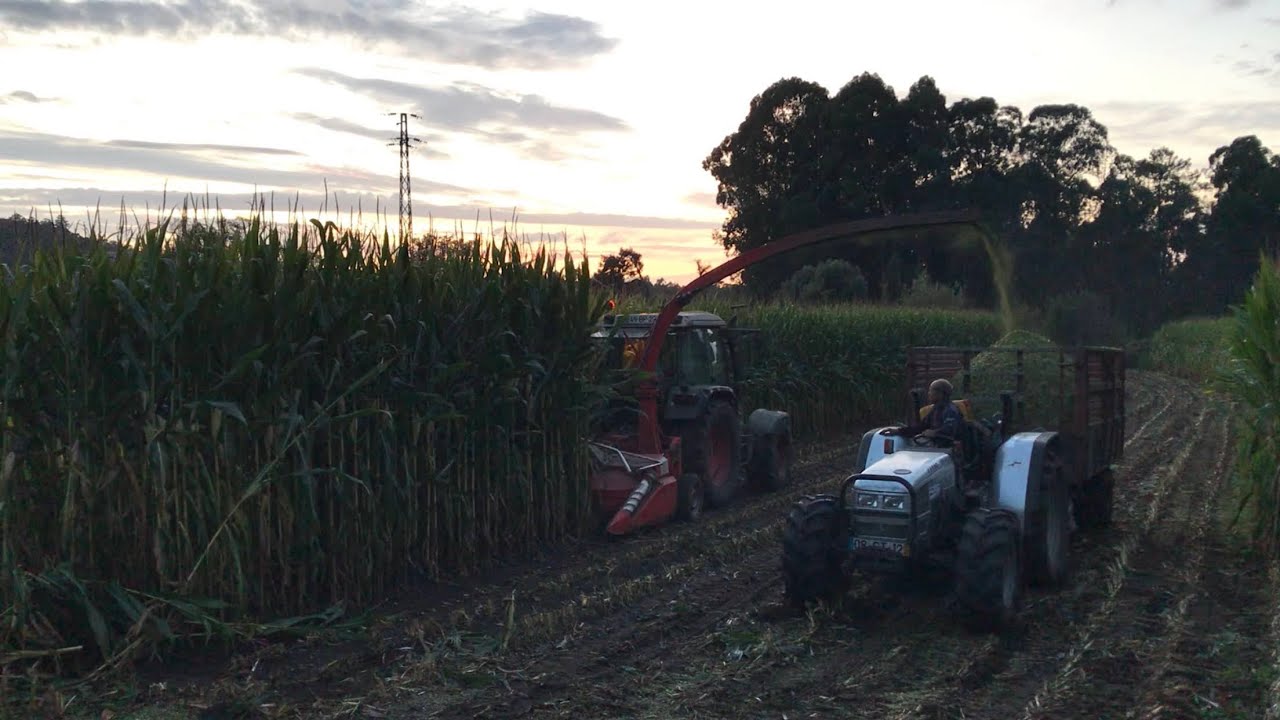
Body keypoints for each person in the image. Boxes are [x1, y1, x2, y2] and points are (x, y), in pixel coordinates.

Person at [888, 378, 964, 445]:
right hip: (938, 447)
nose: (929, 393)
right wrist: (898, 431)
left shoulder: (950, 410)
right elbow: (921, 427)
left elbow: (950, 430)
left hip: (950, 451)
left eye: (931, 391)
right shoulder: (936, 409)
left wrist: (935, 433)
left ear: (940, 393)